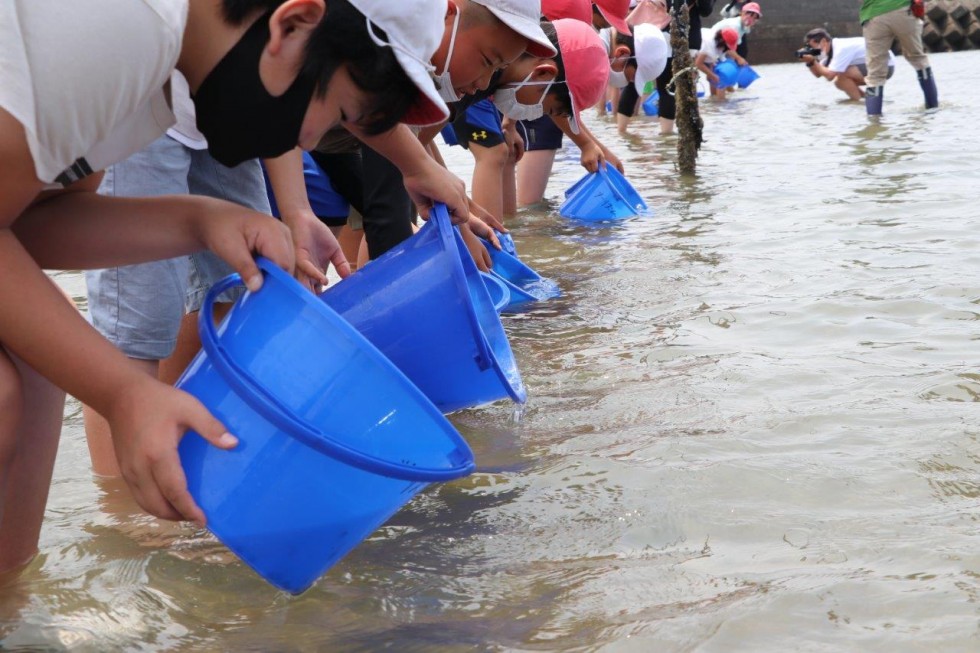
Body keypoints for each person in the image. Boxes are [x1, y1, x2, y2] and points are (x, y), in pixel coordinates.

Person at [0, 0, 465, 578]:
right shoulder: (126, 29)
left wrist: (201, 220)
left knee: (37, 358)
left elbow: (29, 227)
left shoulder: (160, 82)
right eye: (333, 110)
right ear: (291, 24)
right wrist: (124, 393)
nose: (308, 137)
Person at [860, 0, 938, 116]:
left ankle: (874, 123)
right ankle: (933, 110)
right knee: (919, 60)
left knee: (875, 75)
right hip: (903, 10)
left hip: (874, 16)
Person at [800, 28, 894, 102]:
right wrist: (809, 62)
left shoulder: (841, 48)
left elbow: (829, 76)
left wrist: (813, 60)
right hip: (877, 64)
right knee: (841, 80)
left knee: (842, 78)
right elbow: (818, 74)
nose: (813, 51)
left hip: (885, 64)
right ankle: (866, 100)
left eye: (812, 47)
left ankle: (859, 103)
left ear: (823, 41)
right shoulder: (829, 51)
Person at [694, 27, 746, 100]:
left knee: (716, 77)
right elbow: (698, 64)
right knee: (693, 75)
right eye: (727, 46)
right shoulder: (708, 44)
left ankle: (715, 101)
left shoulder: (719, 43)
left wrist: (712, 74)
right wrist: (712, 75)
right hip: (692, 51)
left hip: (703, 53)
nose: (727, 49)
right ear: (721, 40)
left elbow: (714, 58)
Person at [710, 0, 761, 65]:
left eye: (755, 17)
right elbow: (727, 47)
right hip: (711, 47)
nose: (751, 19)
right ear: (742, 13)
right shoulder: (735, 26)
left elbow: (732, 46)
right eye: (749, 14)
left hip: (720, 48)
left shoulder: (744, 26)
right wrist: (738, 58)